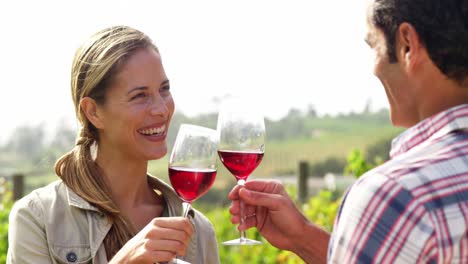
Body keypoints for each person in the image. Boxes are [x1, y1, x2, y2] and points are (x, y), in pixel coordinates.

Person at [228, 0, 468, 263]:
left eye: (373, 45)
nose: (373, 67)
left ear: (407, 44)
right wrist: (305, 237)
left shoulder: (396, 196)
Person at [7, 25, 220, 264]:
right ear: (93, 112)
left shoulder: (198, 231)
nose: (161, 109)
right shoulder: (38, 218)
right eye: (140, 95)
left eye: (164, 89)